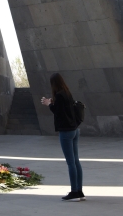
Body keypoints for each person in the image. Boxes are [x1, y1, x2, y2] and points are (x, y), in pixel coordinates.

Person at [41, 73, 85, 202]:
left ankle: (74, 192)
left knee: (71, 162)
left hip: (66, 132)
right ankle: (80, 191)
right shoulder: (67, 92)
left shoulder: (59, 95)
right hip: (75, 130)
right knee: (76, 161)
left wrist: (49, 104)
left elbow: (57, 111)